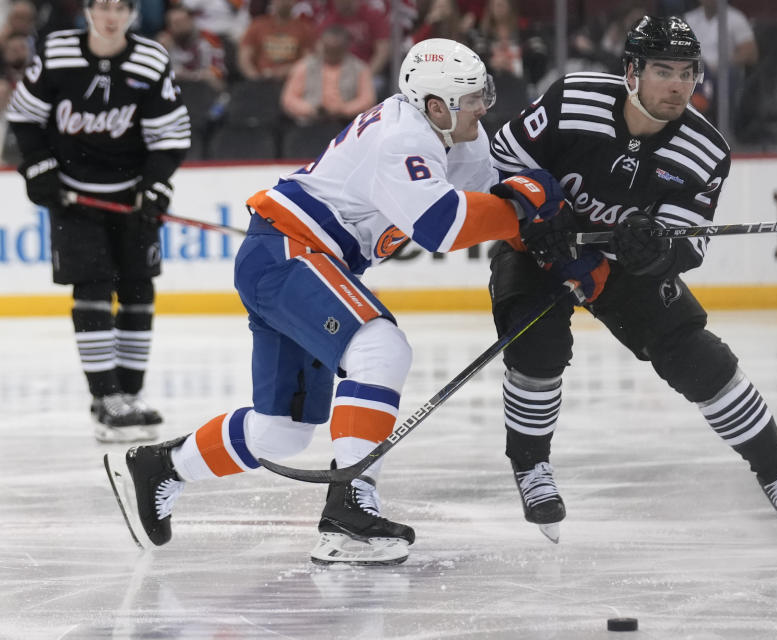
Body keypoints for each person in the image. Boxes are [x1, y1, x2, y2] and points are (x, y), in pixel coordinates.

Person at [104, 38, 569, 566]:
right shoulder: (403, 138)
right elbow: (446, 225)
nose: (485, 105)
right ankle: (349, 505)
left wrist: (555, 237)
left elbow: (493, 197)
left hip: (294, 260)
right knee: (380, 347)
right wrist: (524, 207)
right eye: (474, 97)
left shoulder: (457, 130)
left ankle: (162, 466)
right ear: (435, 106)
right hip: (287, 254)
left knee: (282, 431)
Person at [487, 16, 777, 544]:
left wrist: (656, 250)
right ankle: (532, 469)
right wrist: (540, 209)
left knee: (700, 359)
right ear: (631, 73)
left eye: (687, 72)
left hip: (619, 268)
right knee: (536, 349)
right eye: (662, 70)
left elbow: (689, 242)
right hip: (540, 248)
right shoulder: (571, 99)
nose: (677, 84)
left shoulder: (706, 150)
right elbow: (502, 159)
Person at [5, 0, 190, 442]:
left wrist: (156, 184)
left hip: (130, 196)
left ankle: (130, 394)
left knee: (138, 289)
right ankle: (106, 399)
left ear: (131, 14)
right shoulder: (57, 52)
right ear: (88, 10)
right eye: (103, 6)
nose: (111, 16)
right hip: (75, 198)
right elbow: (24, 119)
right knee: (91, 287)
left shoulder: (149, 58)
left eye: (120, 7)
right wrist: (39, 167)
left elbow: (171, 134)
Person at [280, 23, 375, 127]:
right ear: (320, 44)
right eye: (328, 49)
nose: (331, 54)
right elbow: (288, 99)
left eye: (336, 50)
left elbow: (368, 100)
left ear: (346, 47)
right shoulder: (304, 66)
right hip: (309, 125)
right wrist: (310, 109)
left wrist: (344, 109)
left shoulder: (360, 68)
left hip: (347, 125)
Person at [237, 0, 316, 81]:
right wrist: (255, 77)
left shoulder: (304, 29)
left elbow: (308, 61)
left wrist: (285, 71)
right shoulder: (258, 25)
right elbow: (244, 58)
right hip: (260, 82)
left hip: (291, 83)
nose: (284, 2)